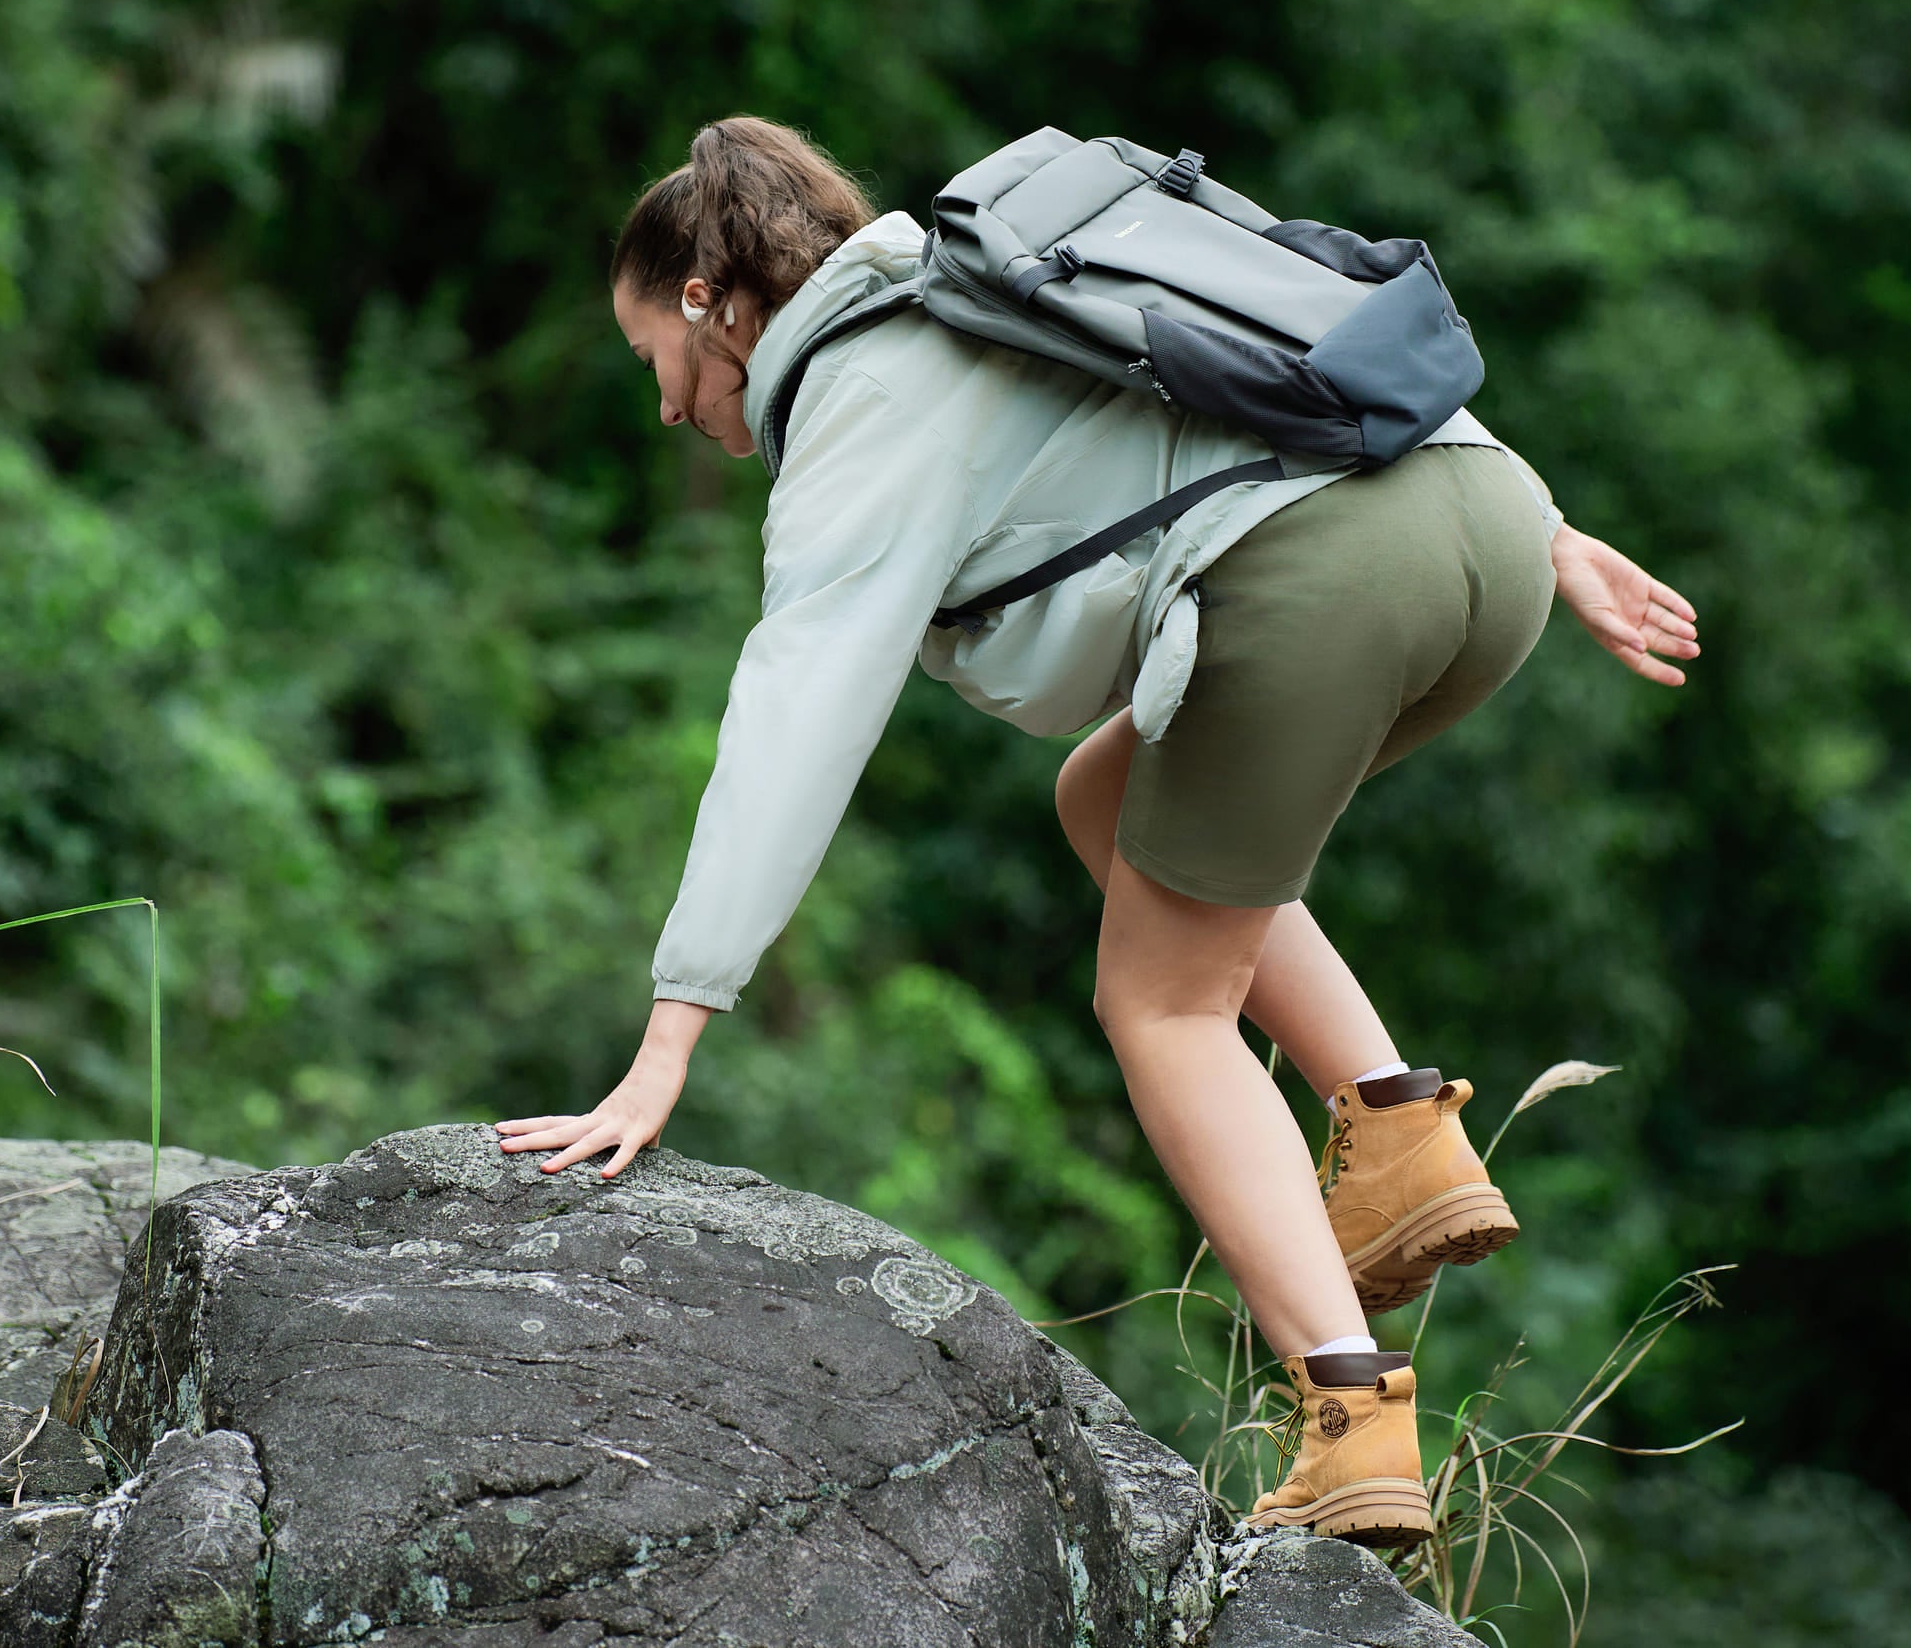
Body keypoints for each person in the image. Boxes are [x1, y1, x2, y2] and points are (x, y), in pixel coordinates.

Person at [493, 117, 1699, 1544]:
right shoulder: (1000, 256)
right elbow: (1293, 298)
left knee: (1162, 1005)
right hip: (1479, 525)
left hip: (1329, 575)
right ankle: (1400, 1134)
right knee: (1105, 797)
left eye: (656, 363)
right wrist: (1544, 524)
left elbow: (795, 711)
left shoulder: (864, 389)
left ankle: (1353, 1420)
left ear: (712, 302)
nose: (668, 408)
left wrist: (669, 1037)